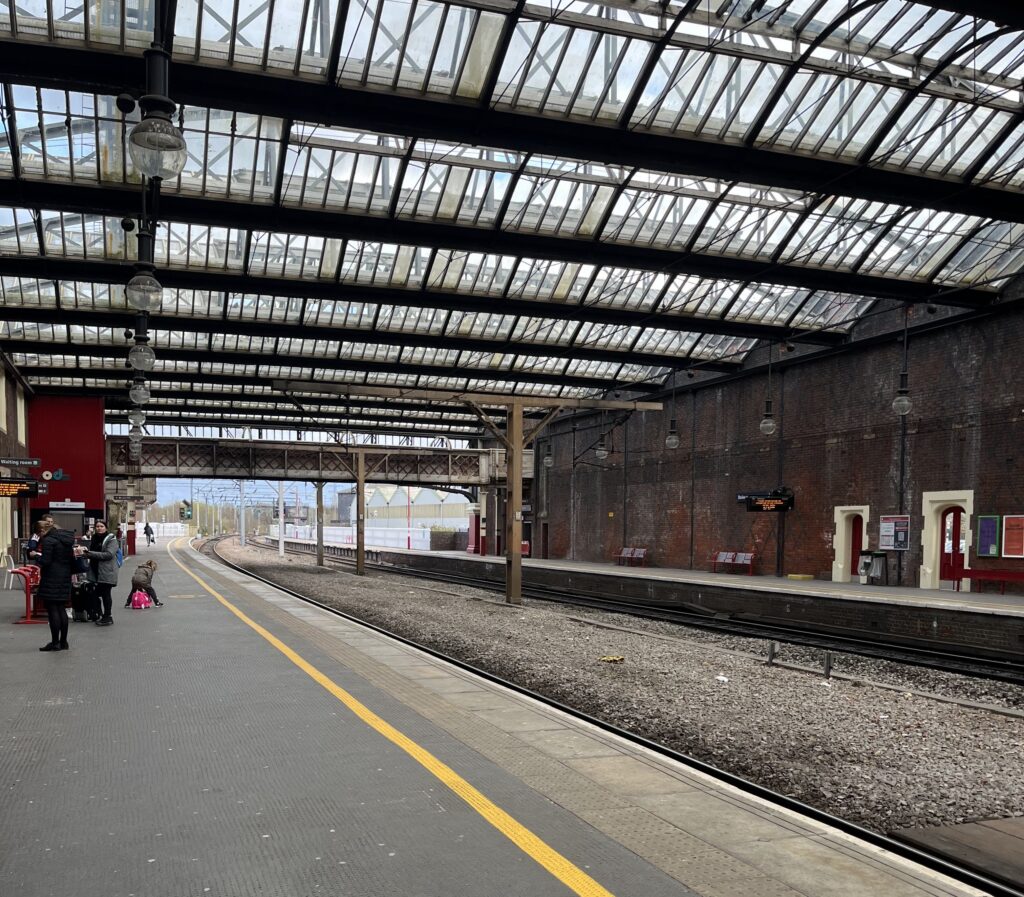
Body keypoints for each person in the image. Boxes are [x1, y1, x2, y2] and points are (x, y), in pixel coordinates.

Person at [36, 520, 75, 651]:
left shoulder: (48, 541)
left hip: (51, 577)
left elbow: (46, 561)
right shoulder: (66, 540)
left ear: (43, 530)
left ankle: (55, 642)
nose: (39, 536)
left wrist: (36, 557)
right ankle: (64, 642)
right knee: (61, 608)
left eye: (39, 533)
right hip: (65, 576)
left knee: (53, 609)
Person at [83, 520, 119, 627]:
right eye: (97, 526)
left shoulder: (111, 539)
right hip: (95, 571)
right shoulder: (94, 538)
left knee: (105, 593)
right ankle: (100, 614)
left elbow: (109, 554)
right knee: (94, 593)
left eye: (101, 526)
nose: (99, 528)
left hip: (107, 571)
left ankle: (107, 616)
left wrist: (89, 554)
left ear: (106, 528)